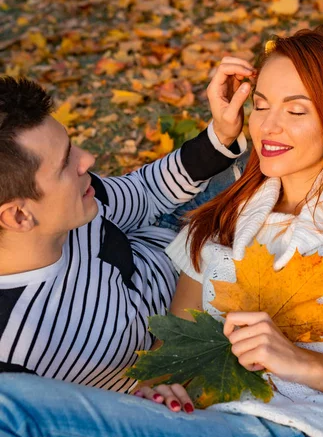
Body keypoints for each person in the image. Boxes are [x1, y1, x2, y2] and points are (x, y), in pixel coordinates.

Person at [0, 25, 323, 437]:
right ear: (17, 216)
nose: (267, 126)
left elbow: (143, 191)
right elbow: (172, 359)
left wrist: (310, 364)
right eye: (262, 105)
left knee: (7, 412)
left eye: (296, 110)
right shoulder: (217, 226)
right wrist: (164, 392)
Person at [0, 58, 252, 392]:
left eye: (71, 147)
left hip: (174, 233)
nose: (87, 160)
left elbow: (144, 194)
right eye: (65, 164)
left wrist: (219, 135)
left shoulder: (79, 201)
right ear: (18, 216)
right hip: (190, 324)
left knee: (275, 151)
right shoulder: (22, 357)